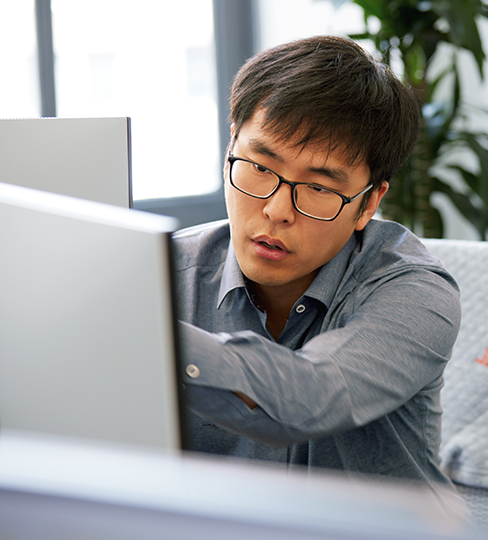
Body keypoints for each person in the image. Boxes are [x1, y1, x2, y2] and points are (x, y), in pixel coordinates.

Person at [171, 35, 460, 486]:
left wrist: (152, 339)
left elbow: (311, 395)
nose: (276, 210)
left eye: (320, 188)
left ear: (368, 203)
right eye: (261, 167)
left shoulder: (416, 293)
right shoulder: (167, 275)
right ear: (231, 146)